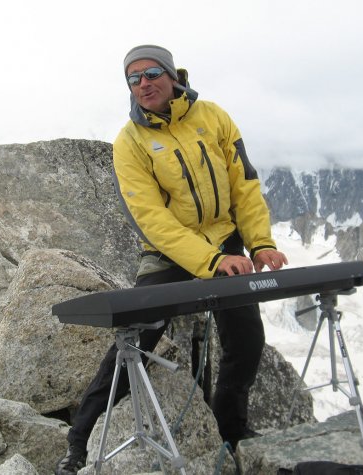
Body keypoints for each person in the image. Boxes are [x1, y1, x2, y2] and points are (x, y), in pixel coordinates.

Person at [55, 44, 288, 475]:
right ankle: (79, 440)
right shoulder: (130, 142)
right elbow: (151, 219)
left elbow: (245, 186)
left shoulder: (214, 117)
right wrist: (211, 260)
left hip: (225, 243)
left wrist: (260, 245)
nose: (143, 83)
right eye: (133, 78)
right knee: (133, 339)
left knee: (246, 341)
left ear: (172, 74)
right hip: (169, 253)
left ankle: (231, 431)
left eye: (151, 73)